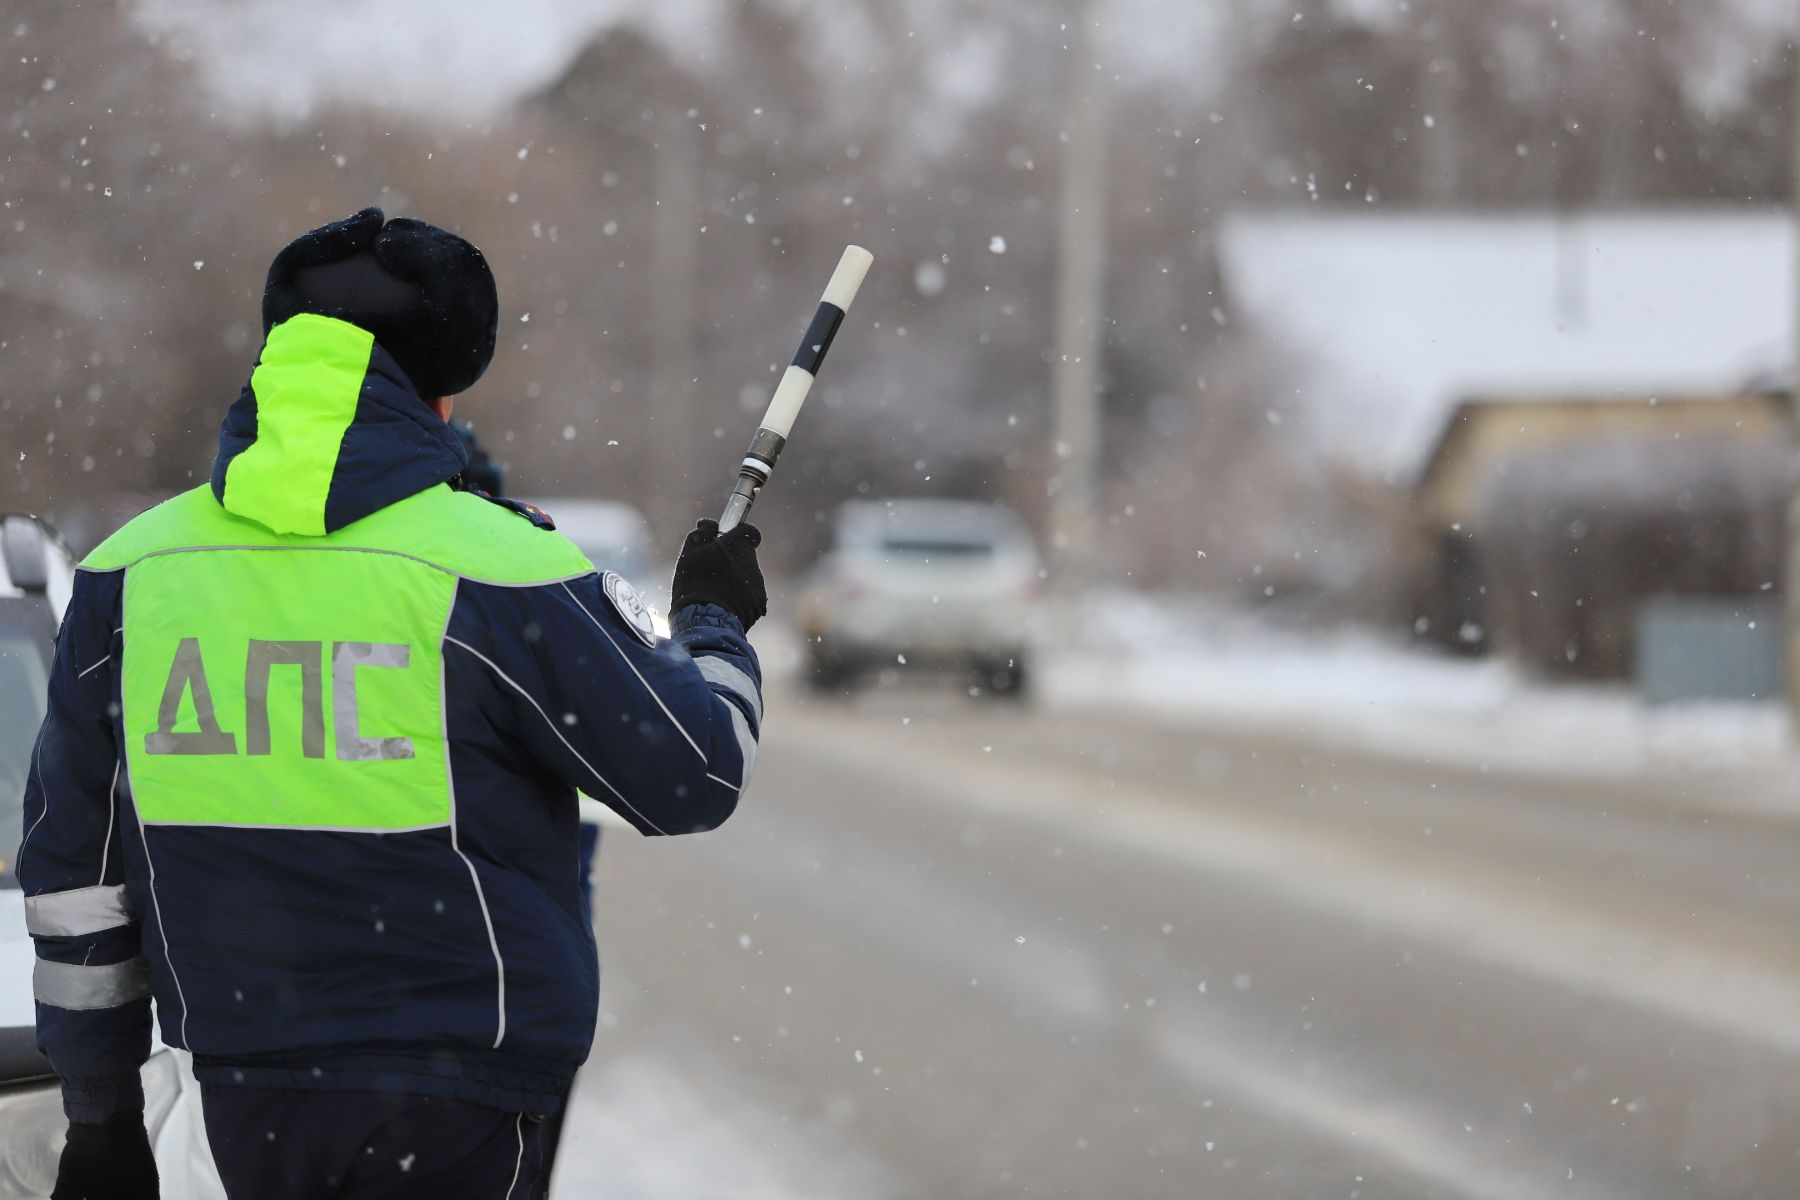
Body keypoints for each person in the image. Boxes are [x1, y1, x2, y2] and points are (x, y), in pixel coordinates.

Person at [17, 207, 767, 1200]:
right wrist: (713, 624)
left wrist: (99, 1114)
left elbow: (79, 874)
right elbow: (693, 773)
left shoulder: (128, 572)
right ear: (442, 391)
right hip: (462, 1098)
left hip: (246, 1094)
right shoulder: (498, 567)